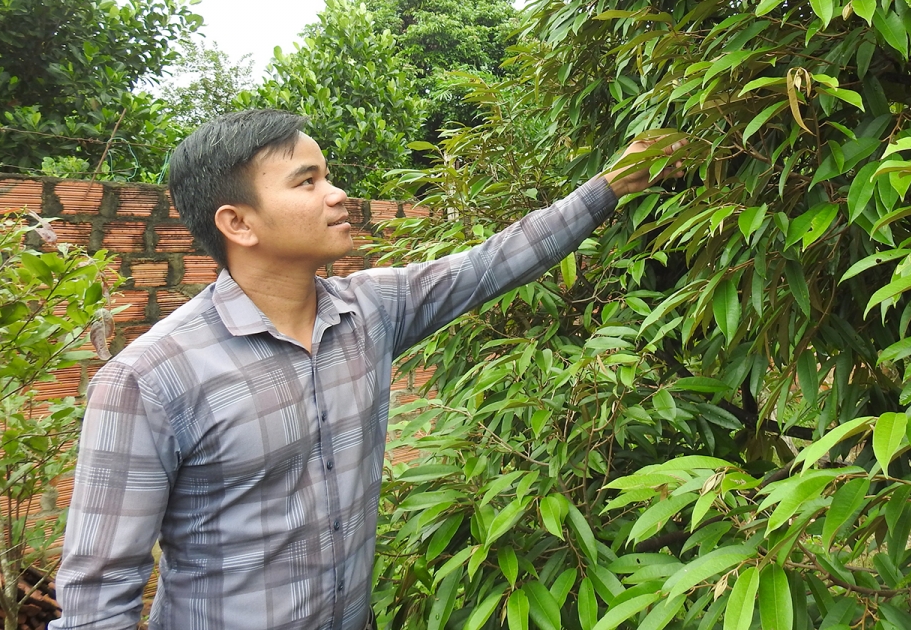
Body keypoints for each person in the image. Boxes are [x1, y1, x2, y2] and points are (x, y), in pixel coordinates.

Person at [49, 109, 683, 630]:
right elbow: (98, 597)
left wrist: (611, 186)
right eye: (307, 182)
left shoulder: (371, 311)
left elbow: (491, 264)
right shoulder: (152, 378)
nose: (338, 194)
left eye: (329, 176)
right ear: (237, 223)